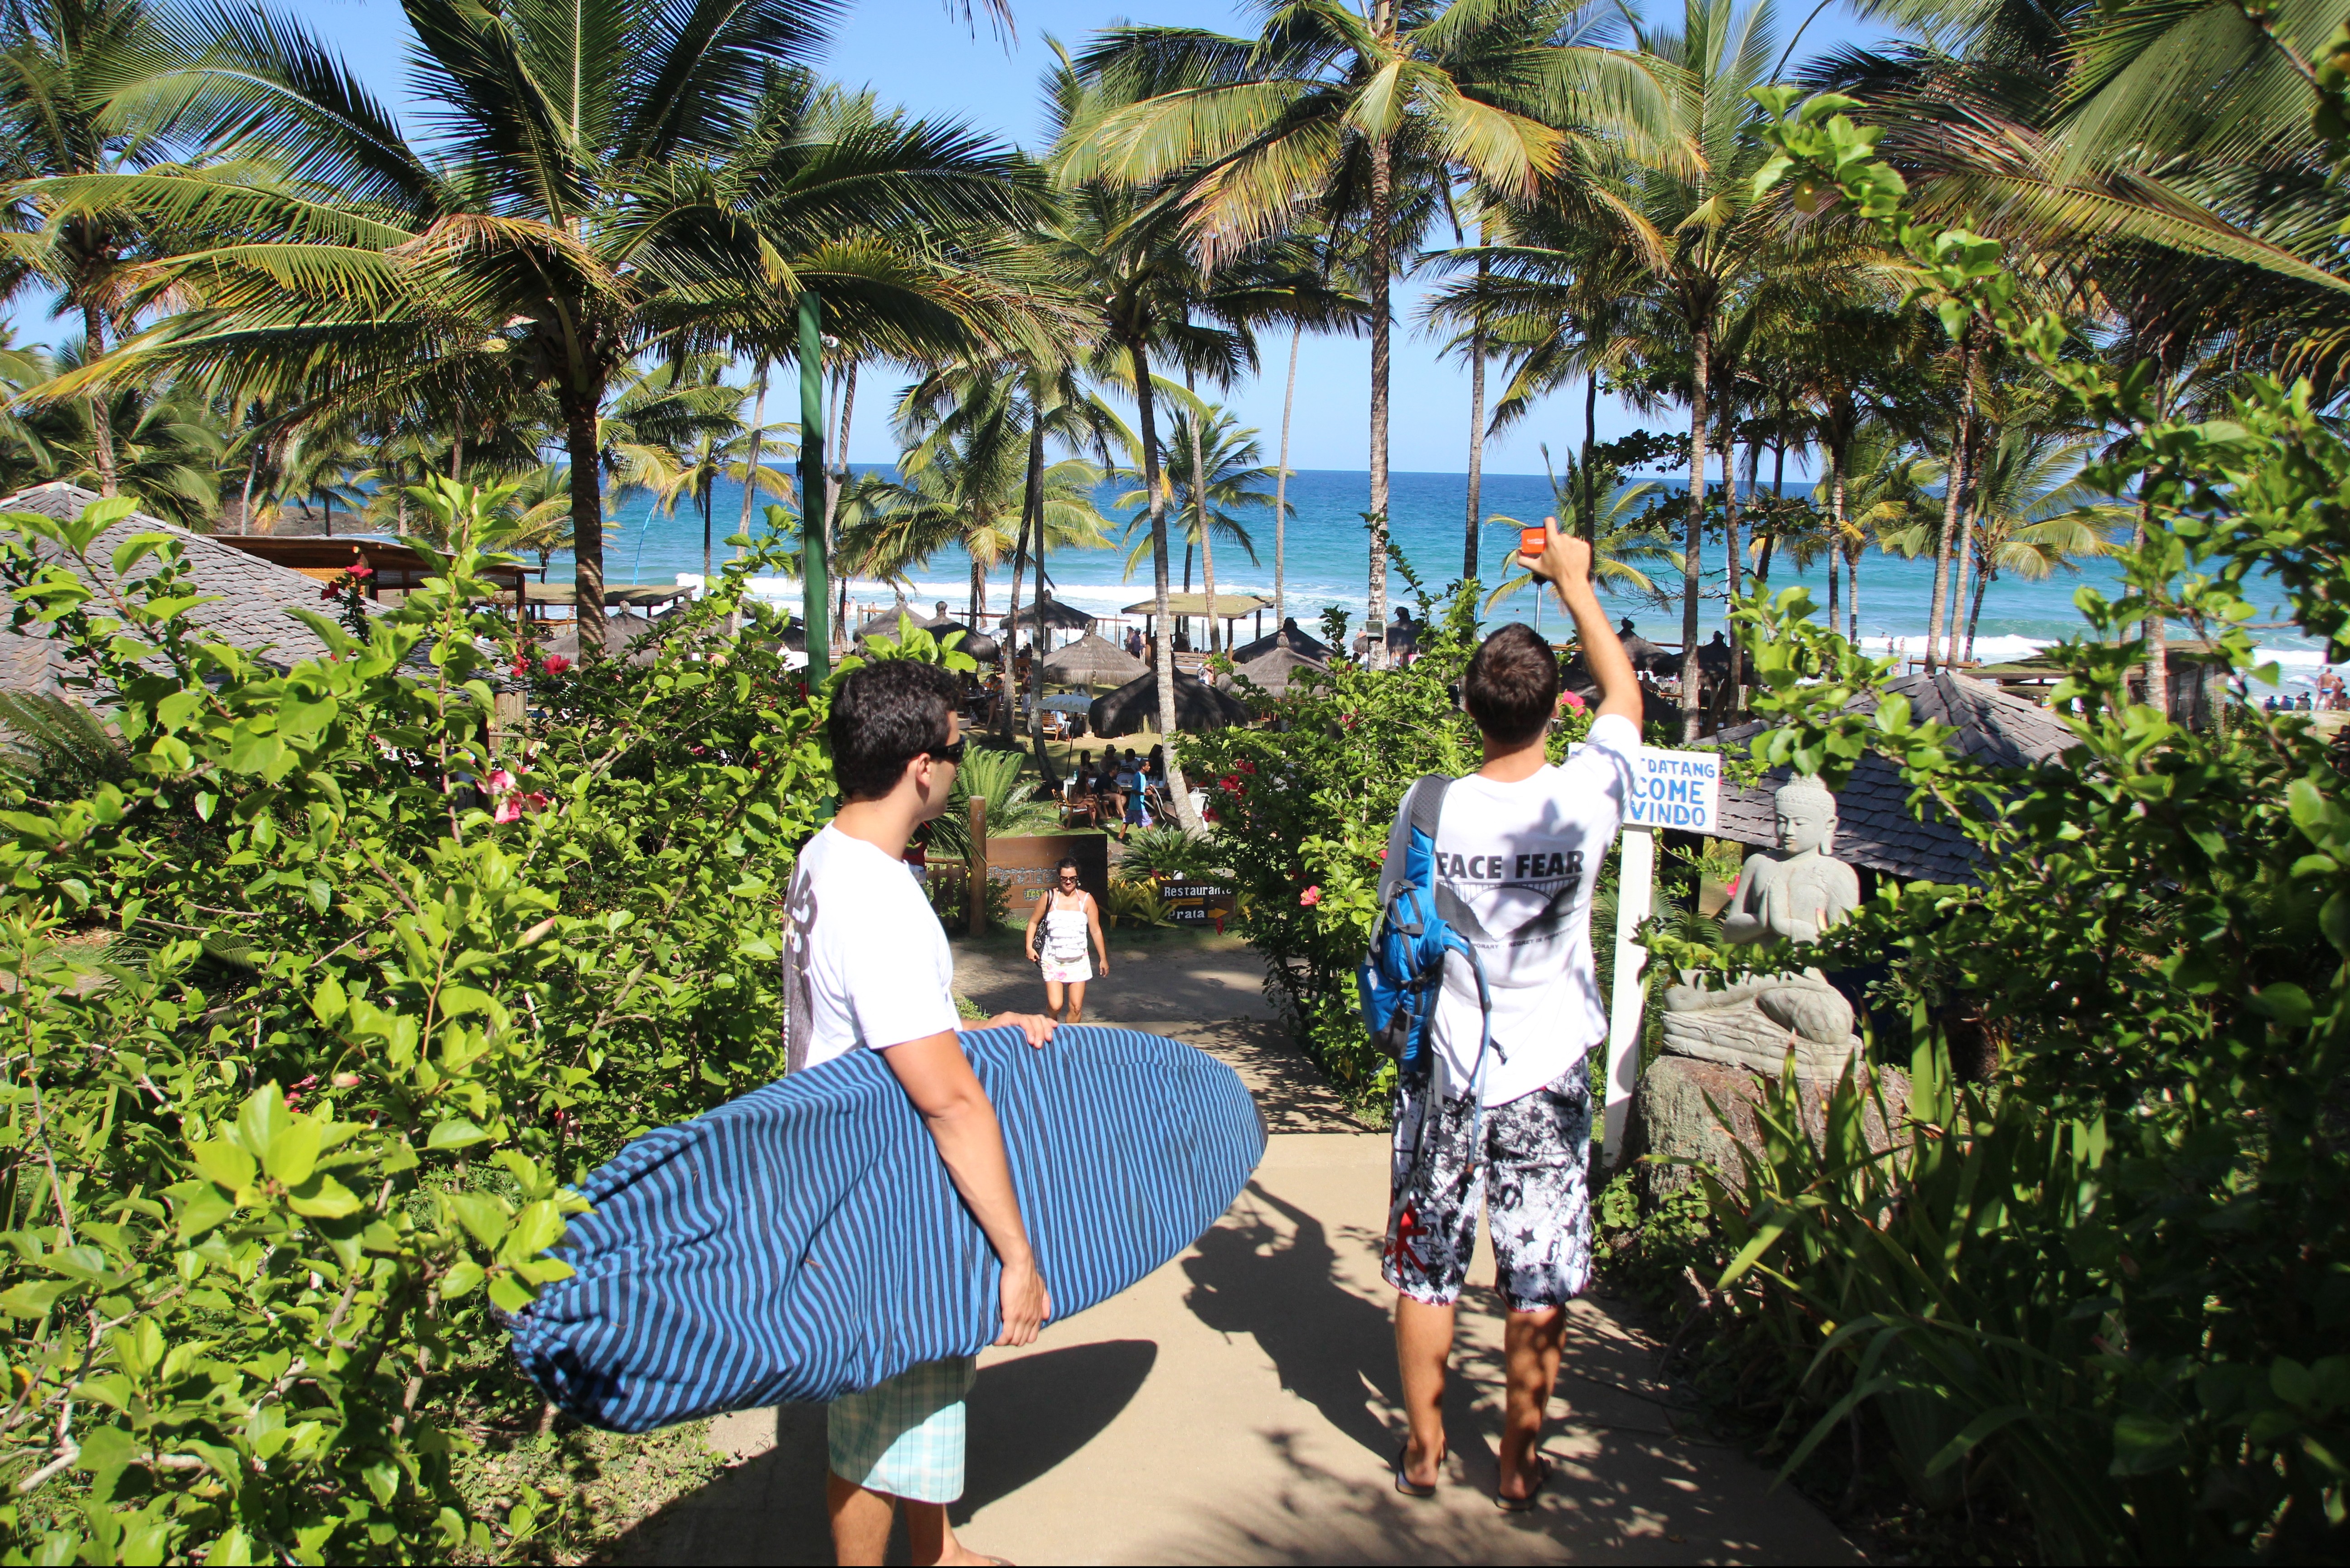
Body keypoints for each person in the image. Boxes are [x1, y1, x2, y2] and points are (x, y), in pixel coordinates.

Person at [1383, 519, 1643, 1512]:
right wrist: (1576, 583)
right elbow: (1625, 698)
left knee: (1426, 1264)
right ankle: (1520, 1459)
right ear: (1553, 710)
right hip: (1549, 1072)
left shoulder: (1431, 803)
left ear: (1470, 707)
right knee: (1537, 1274)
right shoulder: (1583, 797)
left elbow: (1393, 910)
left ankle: (1423, 1443)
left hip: (1447, 1069)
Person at [782, 658, 1060, 1568]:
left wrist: (973, 1023)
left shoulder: (825, 855)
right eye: (956, 745)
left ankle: (938, 1549)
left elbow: (877, 1022)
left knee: (913, 1393)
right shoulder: (882, 898)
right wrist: (1018, 1254)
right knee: (874, 1419)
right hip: (882, 1188)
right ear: (921, 767)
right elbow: (946, 1098)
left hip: (838, 1161)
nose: (958, 759)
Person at [1024, 857, 1108, 1022]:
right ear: (1059, 877)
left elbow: (1096, 930)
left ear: (1078, 878)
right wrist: (1029, 946)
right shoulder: (1049, 897)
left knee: (1076, 1007)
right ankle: (1052, 1015)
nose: (1068, 882)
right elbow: (1033, 922)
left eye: (1072, 879)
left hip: (1078, 960)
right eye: (1064, 878)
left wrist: (1103, 959)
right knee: (1056, 1005)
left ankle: (1069, 1038)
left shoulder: (1087, 900)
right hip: (1053, 958)